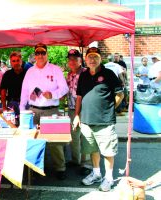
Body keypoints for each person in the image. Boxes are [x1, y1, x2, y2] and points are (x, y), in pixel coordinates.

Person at [73, 47, 124, 192]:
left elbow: (120, 95)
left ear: (100, 58)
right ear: (86, 59)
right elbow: (79, 97)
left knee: (107, 152)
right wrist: (77, 115)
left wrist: (109, 108)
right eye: (90, 57)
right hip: (86, 121)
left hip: (105, 121)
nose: (92, 60)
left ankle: (108, 178)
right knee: (93, 149)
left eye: (95, 56)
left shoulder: (108, 74)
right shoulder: (83, 75)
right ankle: (96, 173)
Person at [20, 43, 69, 180]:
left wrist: (52, 94)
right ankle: (35, 167)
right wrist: (22, 110)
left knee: (55, 142)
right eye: (38, 53)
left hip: (51, 110)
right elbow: (24, 92)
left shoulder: (55, 69)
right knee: (33, 140)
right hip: (33, 111)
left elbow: (64, 89)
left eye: (43, 53)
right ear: (34, 55)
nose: (40, 55)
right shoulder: (30, 71)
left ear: (47, 54)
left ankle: (60, 168)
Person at [66, 49, 91, 175]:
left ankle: (85, 164)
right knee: (74, 136)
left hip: (84, 109)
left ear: (80, 60)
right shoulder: (69, 74)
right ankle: (76, 160)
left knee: (85, 136)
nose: (72, 61)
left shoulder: (86, 73)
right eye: (70, 59)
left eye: (75, 59)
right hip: (71, 109)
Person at [0, 52, 27, 126]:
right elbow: (3, 91)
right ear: (10, 62)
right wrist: (4, 107)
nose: (16, 63)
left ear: (21, 61)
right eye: (13, 61)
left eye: (18, 60)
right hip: (11, 104)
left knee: (25, 125)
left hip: (26, 104)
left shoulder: (27, 73)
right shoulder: (7, 74)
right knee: (12, 126)